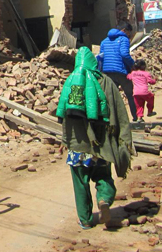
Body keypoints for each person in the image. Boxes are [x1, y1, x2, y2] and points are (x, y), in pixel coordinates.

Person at [57, 46, 134, 230]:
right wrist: (122, 138)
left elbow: (64, 117)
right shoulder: (106, 82)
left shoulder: (71, 83)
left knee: (80, 183)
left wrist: (64, 141)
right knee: (103, 176)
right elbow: (119, 112)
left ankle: (85, 219)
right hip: (101, 145)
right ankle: (104, 198)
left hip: (78, 148)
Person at [99, 22, 137, 121]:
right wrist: (132, 64)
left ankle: (112, 119)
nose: (129, 35)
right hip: (121, 71)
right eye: (129, 33)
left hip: (108, 72)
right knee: (131, 95)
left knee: (111, 97)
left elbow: (101, 57)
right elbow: (124, 54)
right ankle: (136, 118)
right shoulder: (124, 39)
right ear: (124, 30)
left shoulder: (104, 41)